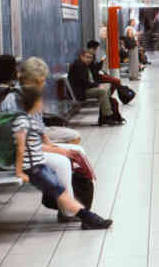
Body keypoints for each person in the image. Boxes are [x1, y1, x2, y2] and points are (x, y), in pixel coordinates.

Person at [11, 83, 112, 229]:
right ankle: (89, 219)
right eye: (40, 101)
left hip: (37, 164)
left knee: (60, 192)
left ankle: (87, 218)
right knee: (60, 192)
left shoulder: (29, 119)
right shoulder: (22, 122)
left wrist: (54, 148)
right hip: (33, 167)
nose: (43, 104)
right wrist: (20, 171)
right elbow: (21, 148)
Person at [0, 54, 81, 145]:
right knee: (73, 141)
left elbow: (38, 125)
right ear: (34, 79)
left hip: (36, 136)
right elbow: (22, 138)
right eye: (42, 81)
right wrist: (53, 148)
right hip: (27, 144)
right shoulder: (14, 98)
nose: (44, 84)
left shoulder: (29, 93)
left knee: (74, 144)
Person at [68, 50, 123, 126]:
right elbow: (83, 82)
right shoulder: (79, 66)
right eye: (87, 57)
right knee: (102, 92)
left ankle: (105, 117)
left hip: (84, 89)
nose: (89, 59)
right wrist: (97, 85)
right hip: (81, 92)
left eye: (90, 58)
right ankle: (107, 116)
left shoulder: (83, 65)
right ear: (81, 56)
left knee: (106, 90)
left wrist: (97, 85)